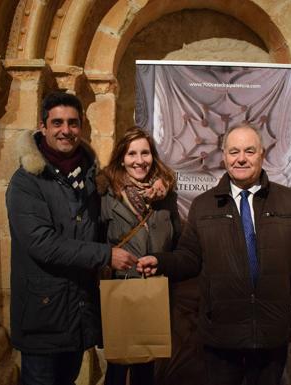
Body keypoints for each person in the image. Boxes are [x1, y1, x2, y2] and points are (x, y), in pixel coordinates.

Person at [137, 123, 291, 385]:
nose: (241, 158)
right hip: (221, 335)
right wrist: (161, 261)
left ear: (262, 154)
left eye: (249, 151)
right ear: (224, 156)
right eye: (234, 152)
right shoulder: (204, 205)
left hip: (272, 332)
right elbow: (189, 257)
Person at [6, 92, 137, 385]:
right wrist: (106, 255)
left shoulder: (90, 176)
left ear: (82, 126)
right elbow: (42, 243)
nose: (66, 130)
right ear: (43, 126)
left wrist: (152, 190)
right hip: (43, 315)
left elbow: (112, 209)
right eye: (58, 122)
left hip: (78, 313)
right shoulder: (26, 182)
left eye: (73, 123)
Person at [98, 127, 181, 385]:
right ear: (122, 158)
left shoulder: (165, 196)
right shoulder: (105, 194)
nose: (139, 160)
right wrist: (109, 256)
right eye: (132, 153)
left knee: (147, 367)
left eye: (145, 153)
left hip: (154, 290)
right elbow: (94, 240)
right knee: (118, 367)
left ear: (152, 157)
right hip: (120, 288)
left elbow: (176, 238)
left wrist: (160, 261)